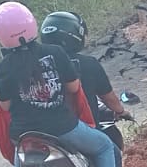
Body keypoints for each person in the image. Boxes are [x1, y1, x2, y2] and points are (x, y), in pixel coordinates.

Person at [0, 1, 127, 167]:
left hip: (24, 135)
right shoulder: (54, 53)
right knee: (104, 146)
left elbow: (5, 105)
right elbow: (74, 87)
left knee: (22, 156)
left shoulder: (3, 68)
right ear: (31, 24)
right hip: (63, 129)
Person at [40, 11, 133, 151]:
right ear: (74, 36)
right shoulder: (88, 64)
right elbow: (108, 98)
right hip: (79, 130)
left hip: (42, 133)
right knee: (109, 150)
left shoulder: (36, 66)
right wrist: (121, 112)